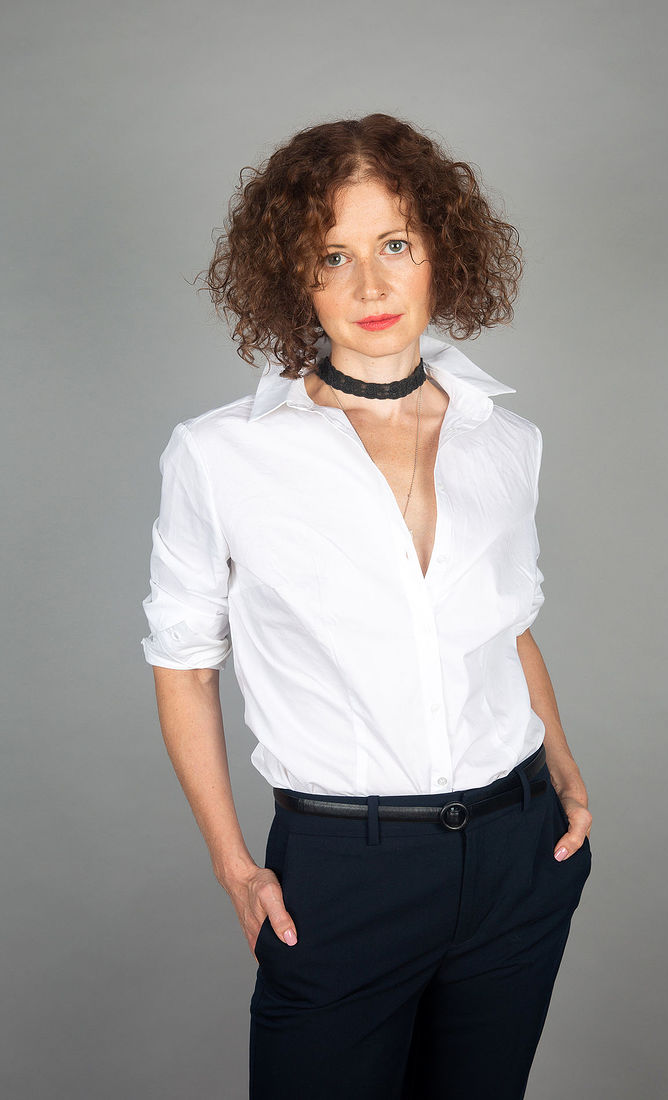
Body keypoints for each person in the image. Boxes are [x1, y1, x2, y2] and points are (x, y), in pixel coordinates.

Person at [140, 113, 592, 1099]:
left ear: (441, 252)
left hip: (518, 854)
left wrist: (563, 769)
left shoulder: (504, 440)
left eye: (394, 245)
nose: (370, 288)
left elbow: (507, 626)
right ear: (292, 277)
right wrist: (232, 864)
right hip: (345, 869)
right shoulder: (221, 456)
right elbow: (183, 661)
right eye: (331, 256)